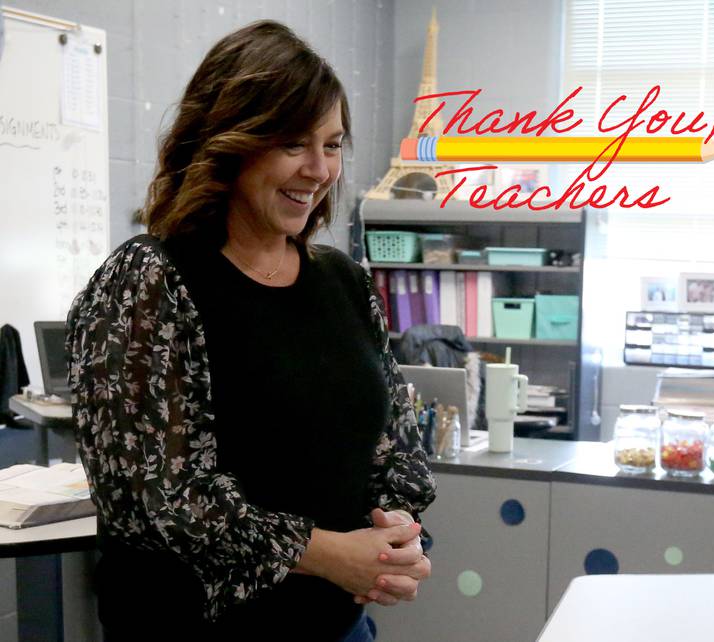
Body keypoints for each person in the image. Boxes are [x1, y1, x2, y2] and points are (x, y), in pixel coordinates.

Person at [66, 21, 436, 642]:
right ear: (228, 142)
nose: (320, 169)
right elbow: (166, 498)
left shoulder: (341, 282)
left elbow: (391, 445)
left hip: (338, 627)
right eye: (293, 143)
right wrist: (327, 553)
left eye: (334, 143)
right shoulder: (149, 280)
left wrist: (400, 537)